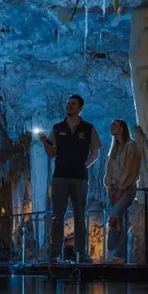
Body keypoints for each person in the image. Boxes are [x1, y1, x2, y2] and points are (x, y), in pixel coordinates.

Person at [38, 94, 102, 262]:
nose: (69, 106)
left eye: (73, 104)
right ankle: (55, 254)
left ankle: (81, 253)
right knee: (57, 216)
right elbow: (51, 154)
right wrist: (44, 141)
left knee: (80, 216)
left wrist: (83, 165)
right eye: (68, 103)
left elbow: (95, 153)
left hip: (80, 178)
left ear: (80, 108)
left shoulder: (88, 128)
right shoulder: (58, 128)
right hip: (60, 176)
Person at [103, 120, 142, 264]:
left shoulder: (131, 146)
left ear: (122, 128)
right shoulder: (115, 149)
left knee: (113, 219)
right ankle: (117, 256)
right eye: (111, 124)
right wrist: (109, 188)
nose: (111, 126)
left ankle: (116, 253)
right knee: (120, 221)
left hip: (127, 189)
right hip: (114, 189)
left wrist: (120, 189)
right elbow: (109, 170)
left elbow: (130, 169)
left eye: (115, 124)